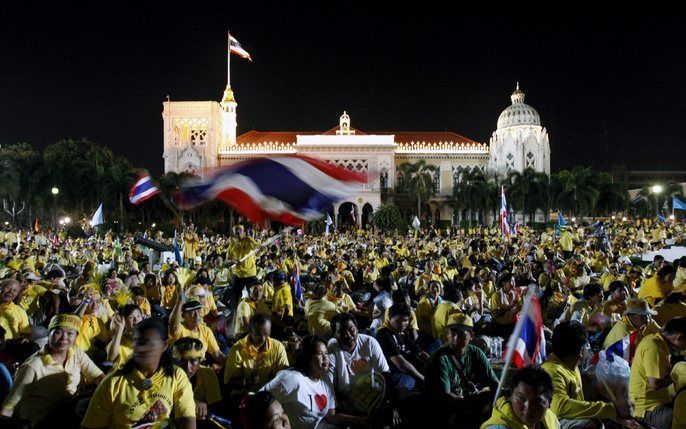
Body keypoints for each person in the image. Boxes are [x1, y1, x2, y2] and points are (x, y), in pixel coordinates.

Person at [81, 317, 196, 429]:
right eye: (138, 343)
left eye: (149, 344)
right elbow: (92, 425)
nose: (141, 349)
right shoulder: (113, 382)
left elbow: (186, 418)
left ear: (164, 345)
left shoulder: (176, 375)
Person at [1, 314, 104, 428]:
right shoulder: (33, 366)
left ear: (76, 336)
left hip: (68, 407)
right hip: (40, 419)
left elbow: (98, 377)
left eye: (70, 333)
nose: (64, 338)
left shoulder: (76, 352)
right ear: (48, 334)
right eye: (58, 332)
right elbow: (9, 406)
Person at [541, 321, 634, 429]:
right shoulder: (553, 371)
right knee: (592, 425)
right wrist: (611, 409)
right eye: (587, 346)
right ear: (581, 351)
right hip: (555, 422)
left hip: (568, 418)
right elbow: (560, 407)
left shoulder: (569, 366)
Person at [261, 335, 366, 429]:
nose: (325, 357)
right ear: (308, 358)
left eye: (326, 353)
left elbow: (331, 416)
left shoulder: (325, 379)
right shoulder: (291, 379)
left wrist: (361, 420)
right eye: (320, 354)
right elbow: (257, 399)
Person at [425, 313, 498, 427]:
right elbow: (446, 396)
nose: (455, 339)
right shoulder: (440, 358)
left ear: (471, 335)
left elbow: (494, 384)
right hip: (446, 410)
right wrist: (475, 403)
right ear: (447, 334)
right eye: (452, 334)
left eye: (461, 335)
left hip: (466, 400)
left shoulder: (476, 353)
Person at [327, 312, 390, 415]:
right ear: (334, 334)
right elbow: (330, 385)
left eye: (351, 329)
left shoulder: (370, 342)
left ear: (356, 328)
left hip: (372, 395)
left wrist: (390, 404)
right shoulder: (332, 347)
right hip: (346, 400)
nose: (348, 335)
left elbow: (385, 374)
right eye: (341, 332)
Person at [629, 317, 686, 429]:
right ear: (680, 337)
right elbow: (654, 384)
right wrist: (676, 375)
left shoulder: (658, 342)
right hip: (646, 410)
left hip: (659, 401)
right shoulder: (653, 346)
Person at [224, 313, 289, 400]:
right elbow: (228, 382)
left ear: (270, 330)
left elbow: (285, 376)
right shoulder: (237, 350)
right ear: (250, 331)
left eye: (266, 333)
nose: (263, 339)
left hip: (270, 394)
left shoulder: (278, 347)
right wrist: (246, 381)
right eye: (258, 334)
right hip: (245, 395)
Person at [481, 366, 559, 429]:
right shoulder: (499, 427)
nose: (528, 407)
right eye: (521, 399)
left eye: (537, 402)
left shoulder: (551, 420)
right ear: (511, 394)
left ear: (549, 402)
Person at [376, 303, 428, 391]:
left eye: (405, 320)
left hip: (406, 365)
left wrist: (429, 359)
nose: (402, 324)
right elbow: (401, 364)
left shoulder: (400, 331)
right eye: (398, 321)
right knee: (408, 383)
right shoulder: (384, 334)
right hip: (393, 372)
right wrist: (422, 379)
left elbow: (415, 347)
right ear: (389, 318)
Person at [170, 290, 226, 366]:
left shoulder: (205, 330)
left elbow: (217, 354)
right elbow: (174, 326)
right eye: (192, 312)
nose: (197, 316)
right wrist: (179, 302)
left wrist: (230, 366)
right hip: (181, 368)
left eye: (199, 311)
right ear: (183, 316)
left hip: (199, 367)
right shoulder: (180, 328)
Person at [173, 337, 222, 423]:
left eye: (193, 361)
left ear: (200, 361)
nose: (188, 367)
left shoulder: (208, 375)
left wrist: (205, 409)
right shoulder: (169, 376)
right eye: (182, 361)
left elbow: (216, 407)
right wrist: (192, 404)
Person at [106, 303, 144, 369]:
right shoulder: (119, 340)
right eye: (131, 317)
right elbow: (111, 358)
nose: (136, 320)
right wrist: (120, 329)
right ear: (123, 320)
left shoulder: (149, 336)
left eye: (138, 316)